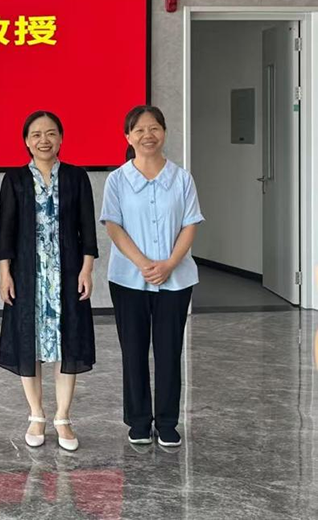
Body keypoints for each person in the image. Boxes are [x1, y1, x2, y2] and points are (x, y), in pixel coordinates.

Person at [100, 105, 204, 448]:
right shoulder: (118, 180)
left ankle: (168, 421)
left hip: (176, 279)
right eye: (140, 130)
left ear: (164, 133)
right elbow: (113, 226)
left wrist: (170, 263)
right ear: (128, 137)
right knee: (133, 350)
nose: (148, 135)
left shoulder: (182, 178)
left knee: (169, 350)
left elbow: (190, 224)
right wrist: (144, 263)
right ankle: (139, 421)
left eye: (154, 128)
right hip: (128, 279)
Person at [0, 111, 98, 451]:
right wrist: (5, 273)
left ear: (61, 138)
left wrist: (86, 269)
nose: (44, 140)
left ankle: (63, 418)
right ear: (26, 141)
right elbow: (6, 232)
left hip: (67, 275)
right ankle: (36, 414)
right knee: (30, 342)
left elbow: (87, 229)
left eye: (51, 133)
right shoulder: (14, 179)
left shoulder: (76, 177)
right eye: (36, 134)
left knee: (68, 343)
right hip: (28, 276)